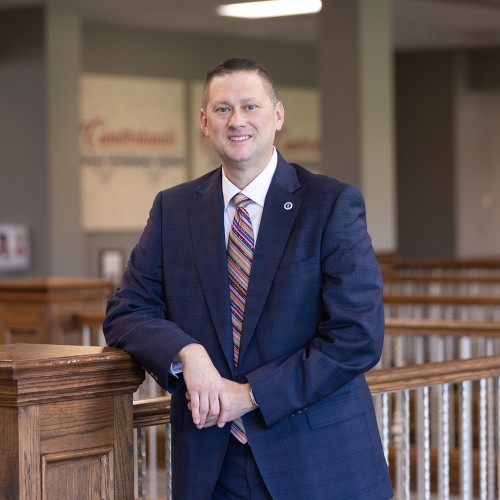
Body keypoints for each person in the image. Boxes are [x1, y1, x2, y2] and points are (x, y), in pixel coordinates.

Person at [104, 58, 394, 499]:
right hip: (211, 467)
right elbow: (126, 310)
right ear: (205, 122)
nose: (236, 120)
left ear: (277, 115)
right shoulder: (173, 209)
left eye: (250, 106)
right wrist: (187, 352)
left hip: (317, 465)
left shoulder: (331, 204)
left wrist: (252, 394)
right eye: (222, 109)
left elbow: (357, 336)